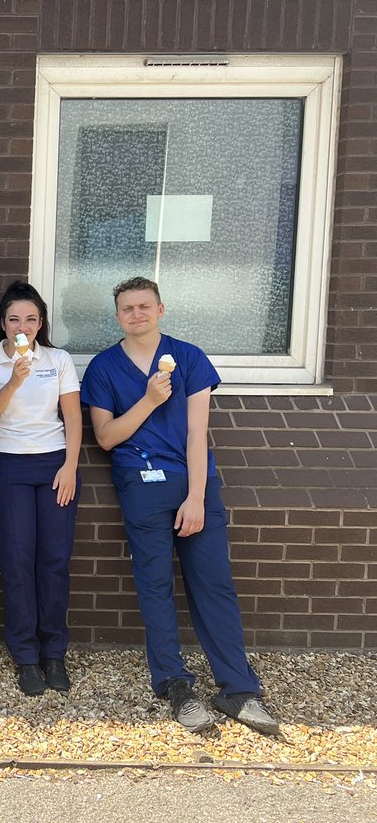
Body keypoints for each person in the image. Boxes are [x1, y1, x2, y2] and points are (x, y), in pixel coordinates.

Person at [81, 276, 279, 736]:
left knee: (215, 586)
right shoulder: (104, 368)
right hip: (141, 483)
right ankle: (176, 685)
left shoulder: (188, 357)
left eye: (144, 306)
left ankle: (237, 689)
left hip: (195, 484)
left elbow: (196, 433)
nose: (136, 314)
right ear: (118, 317)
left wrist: (195, 497)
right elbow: (108, 437)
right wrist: (149, 400)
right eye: (127, 309)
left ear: (161, 309)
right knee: (155, 587)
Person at [0, 281, 81, 696]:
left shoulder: (58, 359)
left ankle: (54, 652)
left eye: (31, 319)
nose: (23, 326)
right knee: (17, 561)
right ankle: (25, 655)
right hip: (5, 464)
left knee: (54, 560)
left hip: (55, 463)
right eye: (15, 318)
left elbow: (72, 417)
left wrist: (70, 466)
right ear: (3, 322)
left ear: (41, 324)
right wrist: (15, 380)